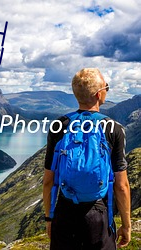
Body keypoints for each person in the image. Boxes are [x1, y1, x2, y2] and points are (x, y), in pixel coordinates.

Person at [43, 68, 131, 250]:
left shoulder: (59, 125)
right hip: (98, 215)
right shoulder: (113, 129)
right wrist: (126, 225)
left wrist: (49, 218)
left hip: (65, 212)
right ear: (99, 94)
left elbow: (48, 181)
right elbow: (121, 185)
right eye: (107, 87)